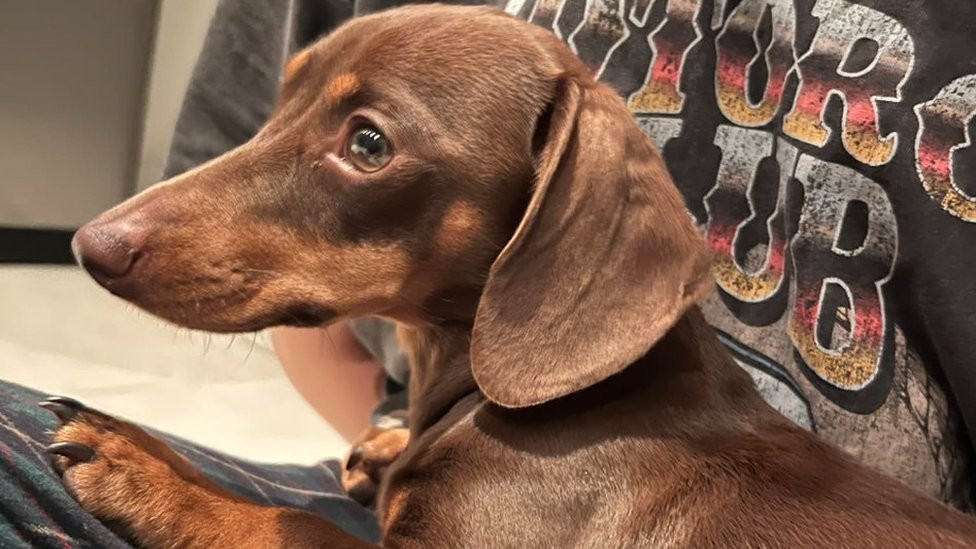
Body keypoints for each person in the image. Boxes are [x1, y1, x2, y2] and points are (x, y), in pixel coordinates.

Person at [2, 0, 975, 546]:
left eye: (368, 143)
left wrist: (239, 531)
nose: (117, 233)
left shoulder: (602, 463)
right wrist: (397, 441)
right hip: (396, 461)